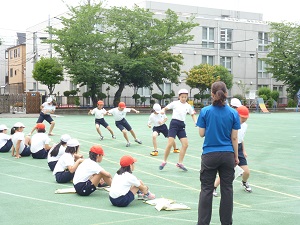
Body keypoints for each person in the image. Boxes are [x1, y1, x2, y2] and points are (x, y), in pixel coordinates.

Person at [196, 81, 240, 225]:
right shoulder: (234, 113)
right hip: (227, 154)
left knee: (206, 190)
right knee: (227, 190)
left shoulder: (205, 111)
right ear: (226, 94)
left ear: (212, 94)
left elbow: (201, 134)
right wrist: (235, 156)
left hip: (209, 154)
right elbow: (234, 137)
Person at [159, 89, 197, 171]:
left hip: (181, 125)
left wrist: (196, 122)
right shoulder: (175, 103)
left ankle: (180, 163)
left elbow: (193, 114)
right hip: (174, 124)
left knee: (185, 144)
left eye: (185, 97)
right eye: (182, 97)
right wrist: (162, 110)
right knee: (170, 143)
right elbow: (165, 108)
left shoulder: (188, 106)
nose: (184, 98)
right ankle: (164, 161)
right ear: (179, 96)